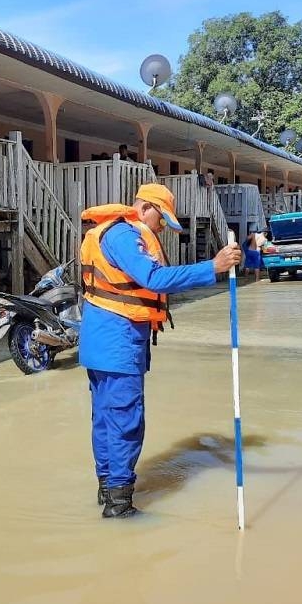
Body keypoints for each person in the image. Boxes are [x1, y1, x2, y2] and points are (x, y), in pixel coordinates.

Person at [79, 183, 242, 518]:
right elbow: (153, 278)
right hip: (118, 343)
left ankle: (108, 491)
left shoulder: (109, 233)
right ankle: (119, 506)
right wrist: (213, 267)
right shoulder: (124, 236)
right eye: (161, 220)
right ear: (145, 209)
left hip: (100, 343)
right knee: (125, 423)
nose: (162, 228)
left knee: (106, 421)